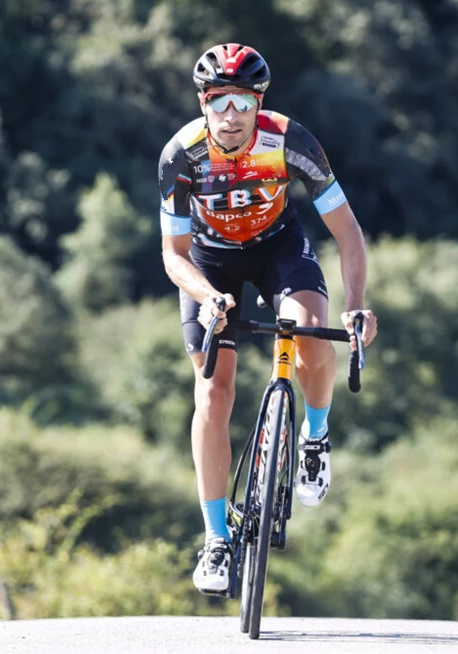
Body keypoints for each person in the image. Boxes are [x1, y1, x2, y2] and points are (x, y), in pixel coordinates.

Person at [158, 43, 379, 595]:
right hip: (209, 263)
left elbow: (348, 232)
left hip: (278, 247)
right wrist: (208, 296)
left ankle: (315, 437)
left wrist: (356, 304)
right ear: (203, 103)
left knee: (310, 335)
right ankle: (216, 539)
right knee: (213, 392)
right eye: (219, 101)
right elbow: (173, 255)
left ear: (259, 103)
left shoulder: (291, 142)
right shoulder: (181, 155)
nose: (230, 114)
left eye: (243, 102)